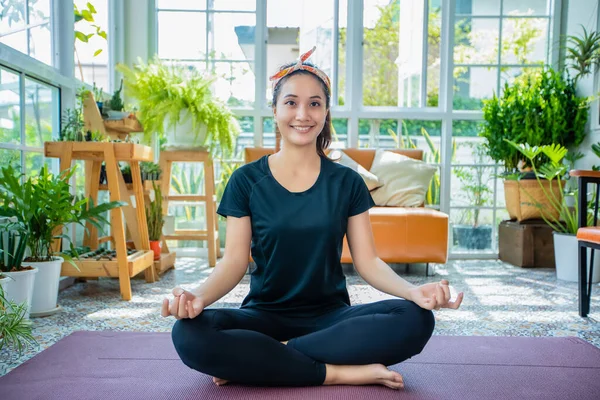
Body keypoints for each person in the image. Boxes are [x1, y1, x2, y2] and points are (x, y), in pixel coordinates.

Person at [161, 47, 464, 390]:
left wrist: (414, 292)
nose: (302, 114)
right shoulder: (245, 181)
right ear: (275, 110)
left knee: (416, 320)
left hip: (332, 320)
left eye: (314, 103)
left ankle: (265, 360)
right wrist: (198, 297)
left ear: (325, 112)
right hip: (264, 316)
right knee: (188, 334)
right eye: (290, 102)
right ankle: (335, 372)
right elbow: (232, 263)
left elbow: (368, 261)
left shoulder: (347, 182)